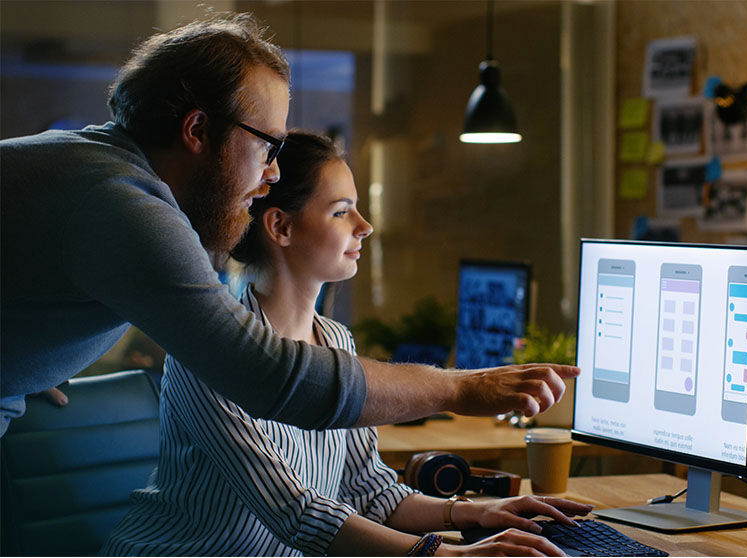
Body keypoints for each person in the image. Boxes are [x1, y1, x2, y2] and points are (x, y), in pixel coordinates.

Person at [0, 13, 578, 437]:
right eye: (267, 145)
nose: (272, 172)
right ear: (198, 132)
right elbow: (273, 379)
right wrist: (463, 387)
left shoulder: (93, 172)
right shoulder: (124, 205)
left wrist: (32, 360)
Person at [102, 131, 593, 556]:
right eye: (342, 212)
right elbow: (296, 512)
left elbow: (370, 491)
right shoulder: (208, 354)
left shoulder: (335, 341)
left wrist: (480, 514)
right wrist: (449, 555)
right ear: (281, 226)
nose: (365, 226)